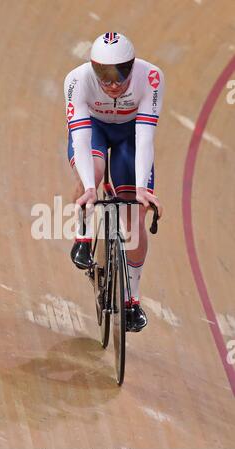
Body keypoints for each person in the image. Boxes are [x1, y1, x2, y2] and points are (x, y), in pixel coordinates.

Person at [64, 32, 164, 332]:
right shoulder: (77, 80)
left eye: (120, 73)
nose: (111, 83)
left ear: (132, 66)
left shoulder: (152, 77)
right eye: (103, 75)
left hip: (130, 137)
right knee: (91, 174)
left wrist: (144, 191)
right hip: (93, 130)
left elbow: (145, 138)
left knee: (135, 215)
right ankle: (83, 237)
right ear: (92, 68)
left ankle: (132, 300)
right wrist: (90, 188)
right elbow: (80, 138)